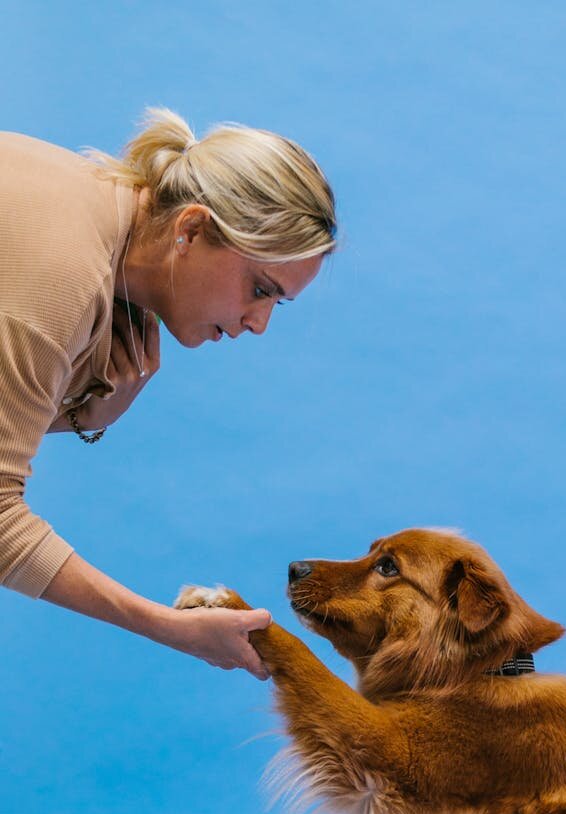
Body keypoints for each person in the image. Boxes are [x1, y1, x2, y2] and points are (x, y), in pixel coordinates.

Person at [0, 108, 336, 678]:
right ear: (191, 229)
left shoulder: (90, 206)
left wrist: (82, 412)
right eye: (259, 288)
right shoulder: (67, 274)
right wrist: (166, 626)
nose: (258, 323)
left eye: (276, 303)